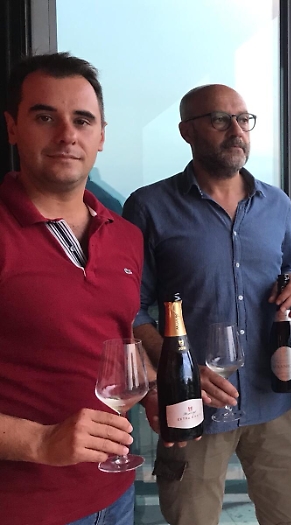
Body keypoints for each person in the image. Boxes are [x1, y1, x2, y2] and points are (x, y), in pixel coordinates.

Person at [122, 84, 291, 525]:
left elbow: (289, 266)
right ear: (187, 131)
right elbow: (130, 308)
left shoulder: (277, 203)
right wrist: (173, 370)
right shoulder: (149, 207)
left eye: (244, 120)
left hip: (271, 403)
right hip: (192, 408)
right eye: (220, 120)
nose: (237, 131)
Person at [0, 52, 145, 525]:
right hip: (24, 507)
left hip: (116, 494)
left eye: (82, 120)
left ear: (101, 136)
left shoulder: (126, 236)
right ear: (13, 127)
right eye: (45, 117)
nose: (67, 135)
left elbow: (111, 340)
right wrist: (39, 441)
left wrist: (157, 387)